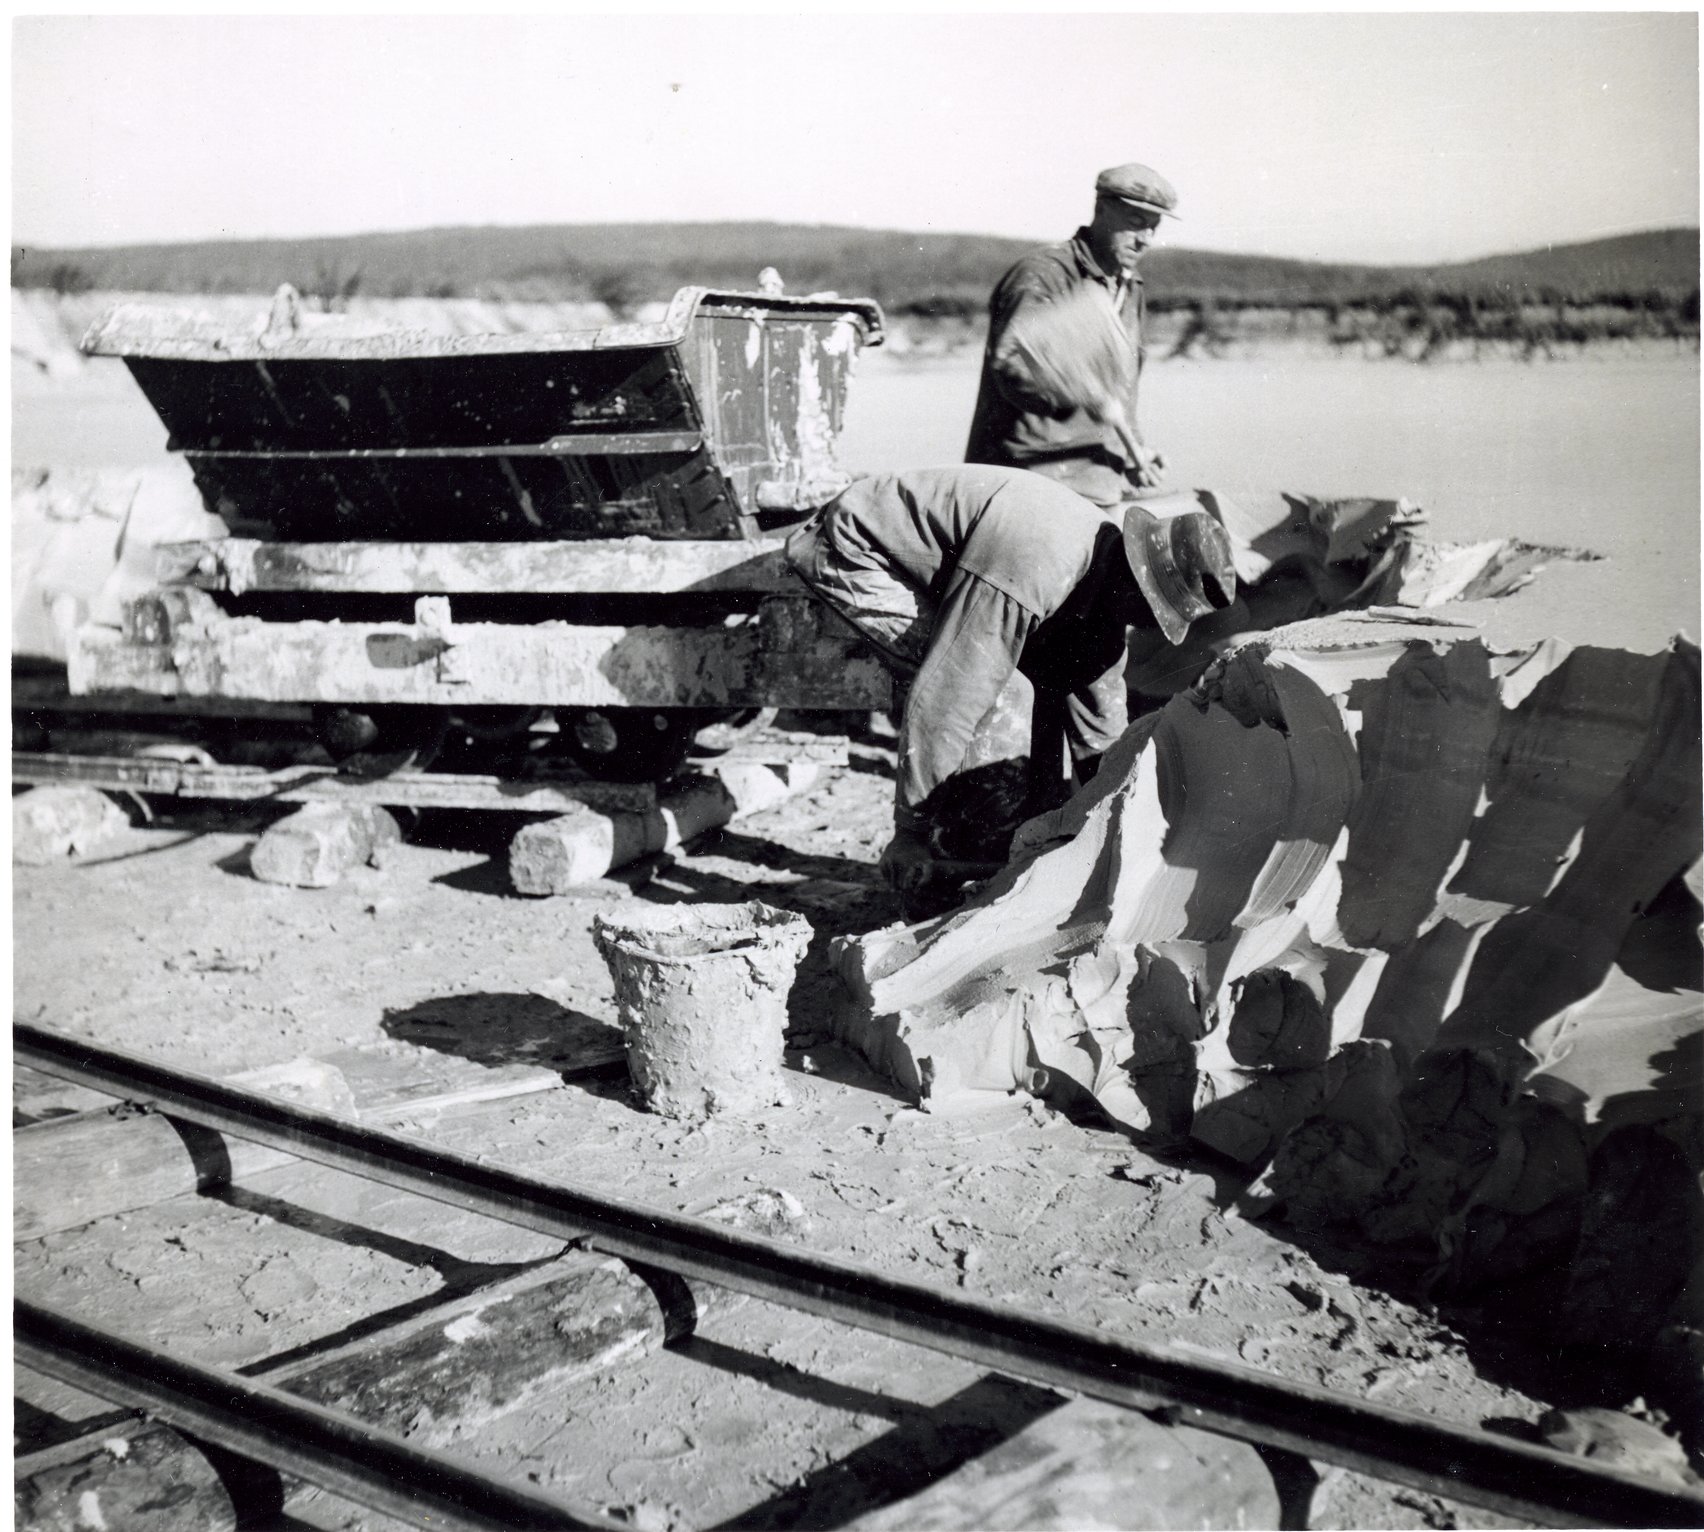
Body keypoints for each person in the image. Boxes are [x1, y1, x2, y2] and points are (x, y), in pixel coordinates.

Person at [784, 465, 1236, 908]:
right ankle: (950, 882)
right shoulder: (1039, 564)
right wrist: (911, 832)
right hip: (857, 548)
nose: (1146, 627)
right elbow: (948, 697)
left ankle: (1021, 852)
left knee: (1057, 678)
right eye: (1152, 613)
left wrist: (1129, 825)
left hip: (958, 570)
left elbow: (1102, 735)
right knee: (1002, 698)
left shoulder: (1105, 581)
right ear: (1136, 581)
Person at [965, 163, 1179, 508]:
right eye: (1136, 223)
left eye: (1154, 227)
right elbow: (1011, 364)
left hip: (1098, 482)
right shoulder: (1043, 274)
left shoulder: (1130, 285)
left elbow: (1120, 389)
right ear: (1101, 208)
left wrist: (1132, 452)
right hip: (1028, 481)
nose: (1146, 240)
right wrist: (1073, 390)